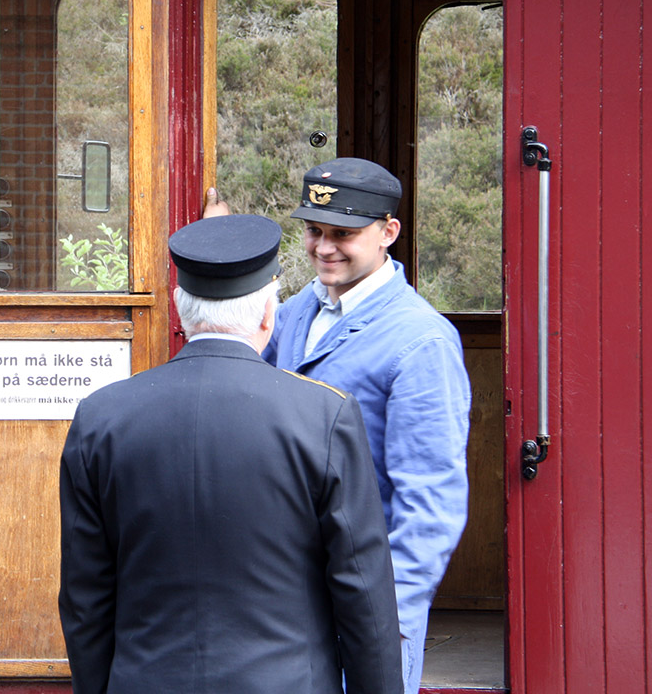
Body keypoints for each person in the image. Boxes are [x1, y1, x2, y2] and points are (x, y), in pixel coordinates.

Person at [58, 214, 402, 694]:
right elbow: (363, 596)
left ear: (180, 310)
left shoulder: (101, 417)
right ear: (268, 314)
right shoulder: (323, 416)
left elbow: (84, 598)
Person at [208, 157, 472, 694]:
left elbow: (432, 505)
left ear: (388, 233)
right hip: (283, 592)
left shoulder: (423, 342)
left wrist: (384, 617)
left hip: (366, 605)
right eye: (313, 230)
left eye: (343, 234)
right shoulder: (299, 308)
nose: (323, 247)